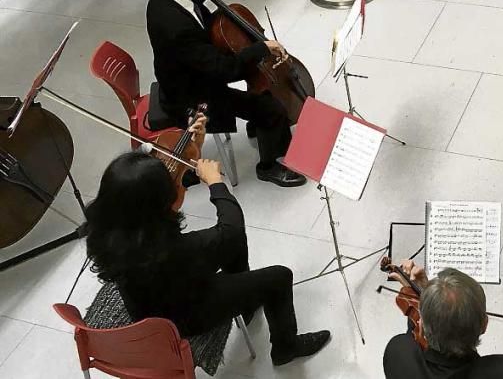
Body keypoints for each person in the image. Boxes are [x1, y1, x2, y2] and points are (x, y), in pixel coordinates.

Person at [86, 143, 330, 366]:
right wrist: (216, 183)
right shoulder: (176, 251)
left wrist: (193, 146)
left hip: (145, 304)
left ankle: (247, 304)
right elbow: (232, 230)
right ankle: (285, 348)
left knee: (226, 246)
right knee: (279, 277)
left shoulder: (103, 232)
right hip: (185, 316)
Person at [146, 0, 305, 186]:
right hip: (191, 96)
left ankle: (260, 129)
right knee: (270, 107)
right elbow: (224, 69)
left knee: (256, 93)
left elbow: (202, 27)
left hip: (190, 75)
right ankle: (269, 166)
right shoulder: (175, 27)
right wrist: (261, 48)